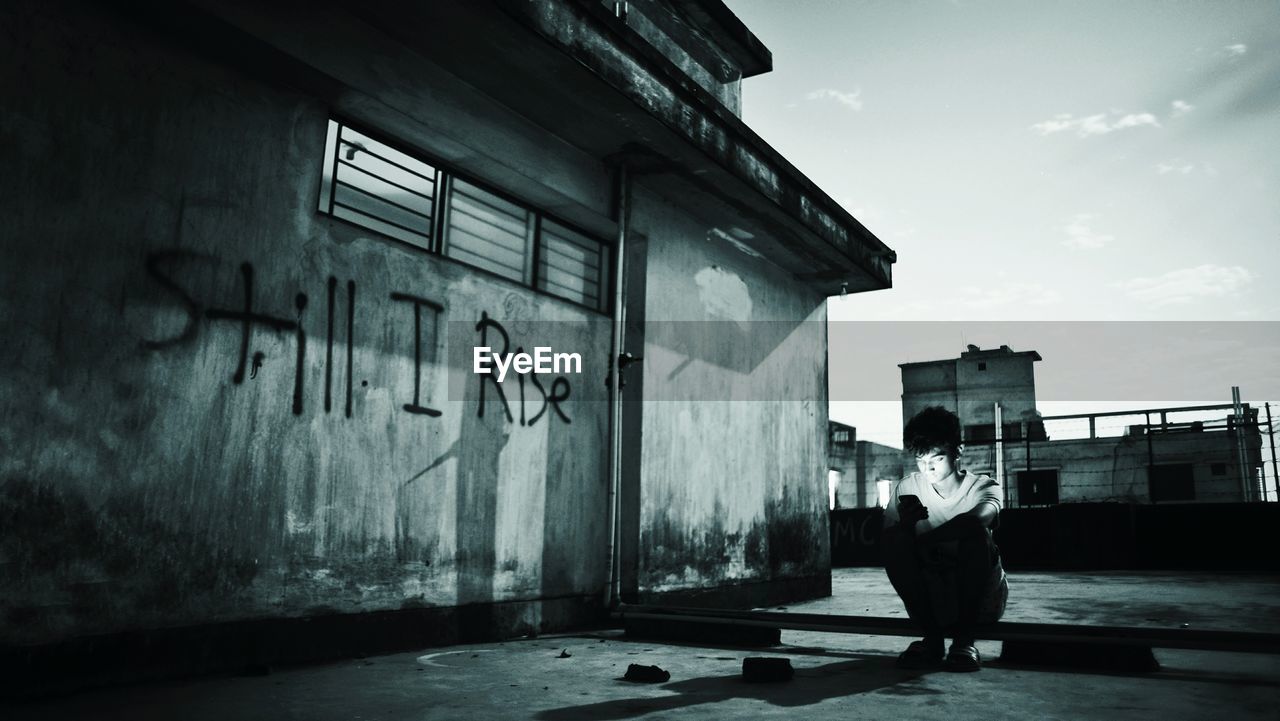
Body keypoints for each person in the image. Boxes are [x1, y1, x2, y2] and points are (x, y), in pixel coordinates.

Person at [881, 406, 1008, 672]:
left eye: (936, 459)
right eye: (920, 460)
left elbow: (975, 521)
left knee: (976, 537)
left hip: (981, 600)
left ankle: (964, 641)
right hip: (932, 599)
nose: (928, 468)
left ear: (958, 451)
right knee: (895, 541)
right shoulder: (908, 488)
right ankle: (933, 640)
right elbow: (890, 546)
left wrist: (925, 541)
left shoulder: (983, 487)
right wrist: (906, 527)